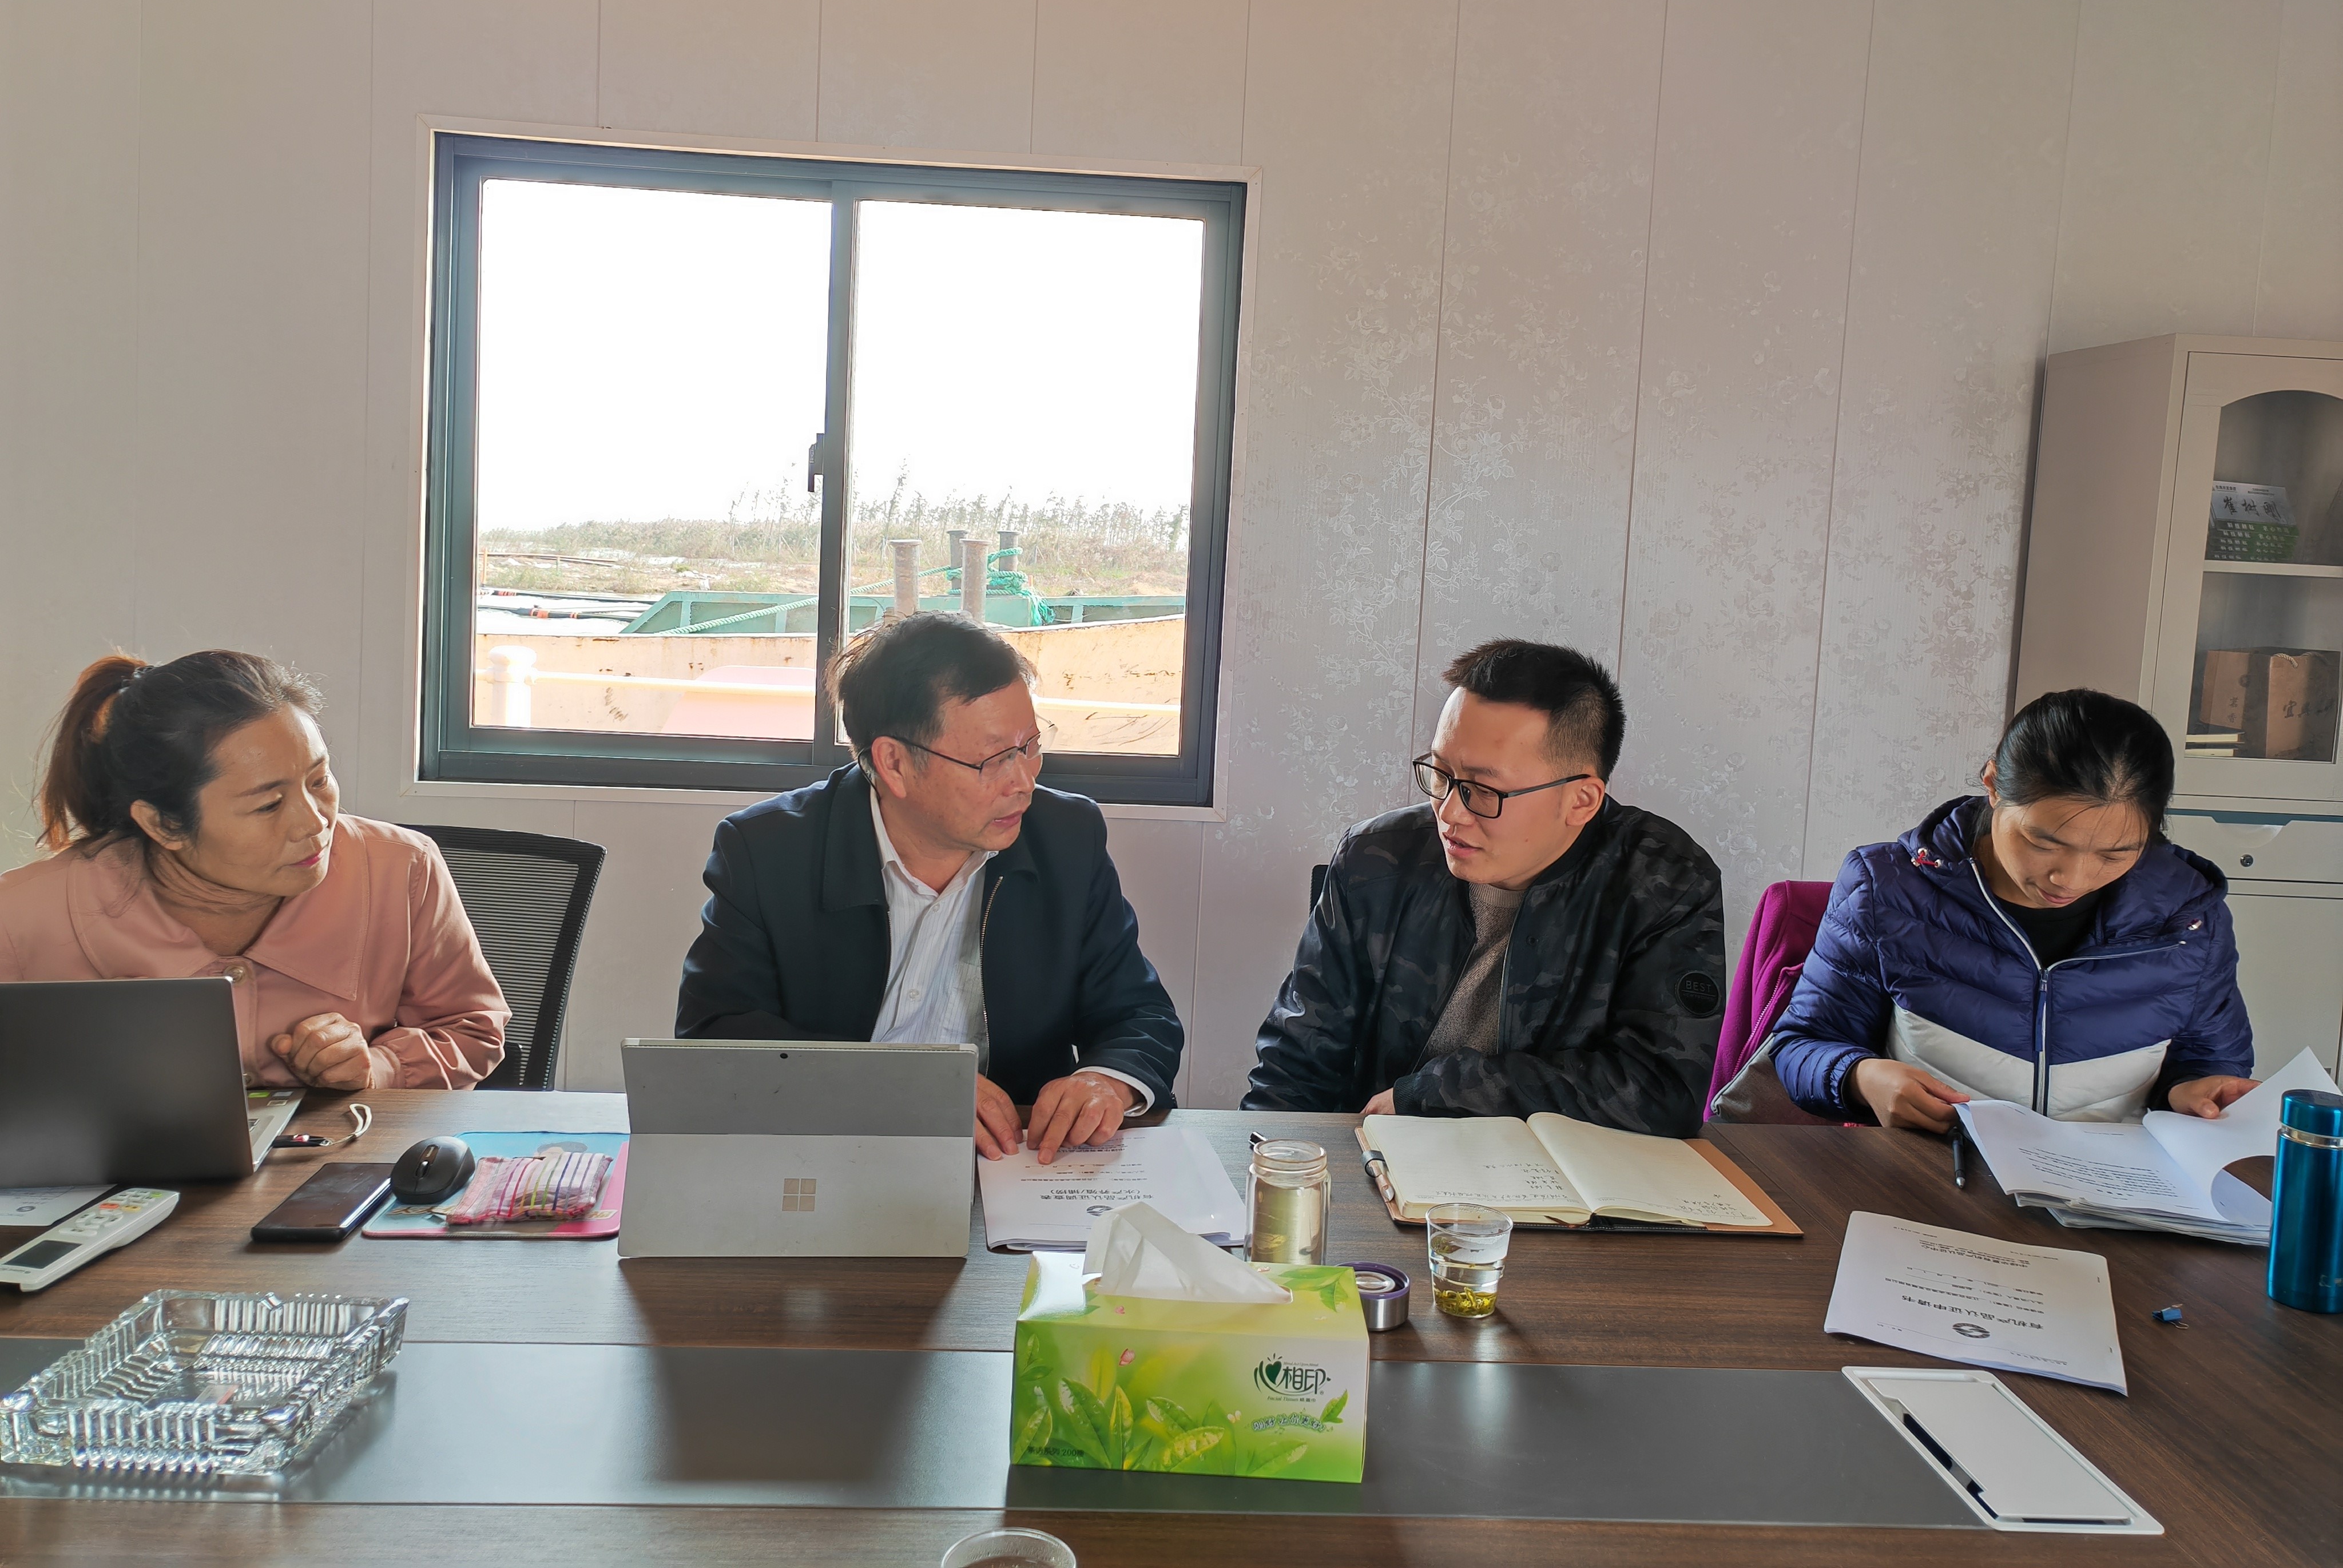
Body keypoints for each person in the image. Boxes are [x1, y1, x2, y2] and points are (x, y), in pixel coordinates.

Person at [674, 612, 1184, 1162]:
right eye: (993, 759)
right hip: (832, 1152)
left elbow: (1138, 1013)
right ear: (894, 763)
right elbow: (716, 1039)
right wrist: (908, 1087)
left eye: (1030, 746)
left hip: (1009, 1159)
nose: (1023, 781)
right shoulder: (769, 851)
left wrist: (1107, 1081)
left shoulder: (1065, 837)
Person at [1244, 639, 1726, 1135]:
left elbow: (1664, 1090)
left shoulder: (1665, 883)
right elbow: (1294, 1066)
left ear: (1581, 801)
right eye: (1441, 774)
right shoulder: (1377, 860)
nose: (1449, 813)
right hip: (1381, 1159)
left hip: (1564, 1175)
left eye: (1482, 789)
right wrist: (1268, 1165)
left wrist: (1440, 1092)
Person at [0, 652, 509, 1089]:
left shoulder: (402, 868)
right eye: (268, 805)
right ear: (163, 824)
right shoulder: (20, 918)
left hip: (337, 1165)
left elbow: (472, 1029)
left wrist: (380, 1067)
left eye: (319, 780)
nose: (315, 822)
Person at [1770, 688, 2255, 1129]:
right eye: (2044, 843)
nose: (2071, 879)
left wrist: (2192, 1091)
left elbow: (2210, 1062)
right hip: (1933, 1175)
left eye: (2114, 855)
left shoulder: (2189, 919)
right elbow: (1802, 1045)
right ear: (1994, 783)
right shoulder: (1888, 889)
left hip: (2112, 1184)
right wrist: (1859, 1077)